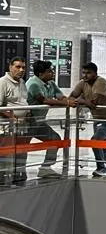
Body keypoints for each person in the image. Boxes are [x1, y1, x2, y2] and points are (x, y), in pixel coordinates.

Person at [69, 62, 106, 178]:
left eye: (88, 73)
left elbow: (94, 103)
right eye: (83, 73)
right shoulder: (83, 83)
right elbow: (72, 96)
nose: (85, 75)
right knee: (103, 145)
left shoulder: (101, 82)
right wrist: (79, 100)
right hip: (97, 118)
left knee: (95, 141)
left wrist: (81, 100)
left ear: (95, 73)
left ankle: (101, 167)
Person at [26, 60, 69, 179]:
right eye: (49, 71)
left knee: (54, 139)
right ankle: (18, 172)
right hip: (29, 122)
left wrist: (68, 101)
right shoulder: (33, 84)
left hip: (40, 122)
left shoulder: (51, 83)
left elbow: (61, 97)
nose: (53, 73)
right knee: (22, 147)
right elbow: (43, 100)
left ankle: (45, 168)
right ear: (41, 74)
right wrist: (65, 103)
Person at [0, 57, 29, 186]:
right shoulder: (3, 82)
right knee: (7, 155)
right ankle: (3, 179)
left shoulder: (22, 82)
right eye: (18, 67)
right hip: (7, 127)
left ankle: (18, 176)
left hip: (22, 126)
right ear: (10, 67)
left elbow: (23, 102)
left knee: (21, 152)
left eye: (23, 67)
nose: (21, 70)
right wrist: (12, 118)